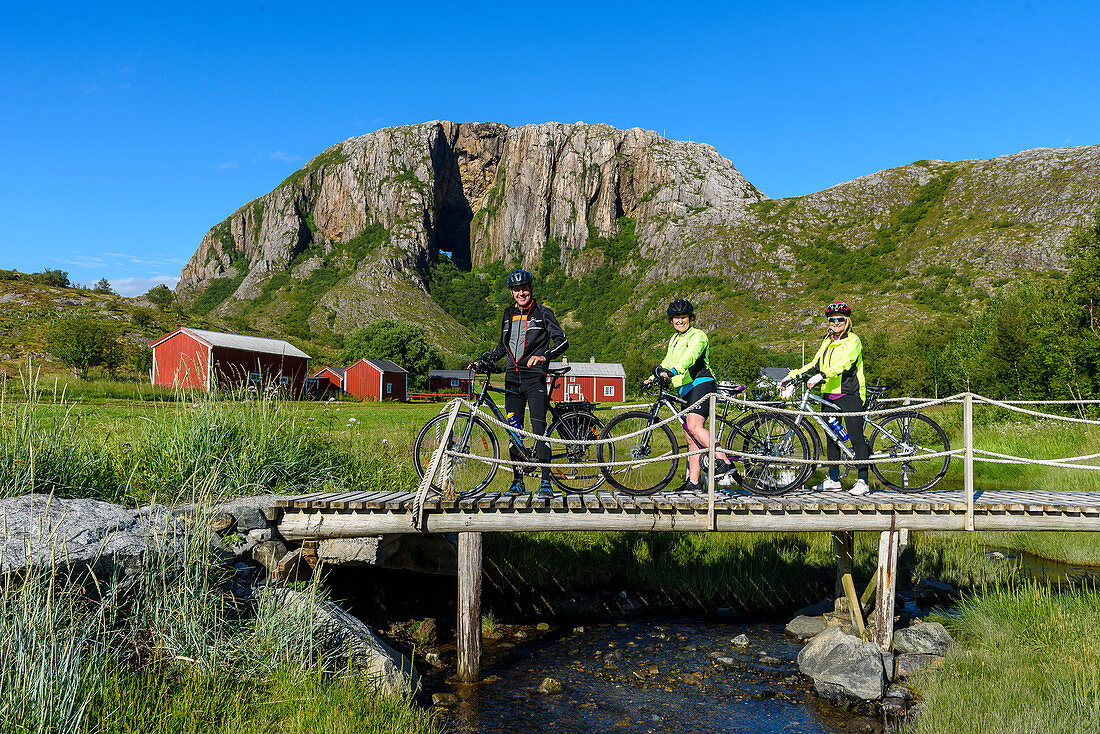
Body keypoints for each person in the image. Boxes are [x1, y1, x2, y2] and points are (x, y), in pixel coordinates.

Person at [477, 269, 568, 499]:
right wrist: (483, 359)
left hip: (534, 378)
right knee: (514, 431)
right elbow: (503, 346)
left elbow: (562, 341)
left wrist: (544, 356)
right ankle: (517, 481)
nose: (521, 292)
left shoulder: (543, 313)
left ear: (531, 289)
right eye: (517, 290)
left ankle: (546, 483)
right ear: (511, 292)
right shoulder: (508, 314)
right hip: (511, 380)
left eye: (524, 288)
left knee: (540, 429)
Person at [643, 299, 736, 492]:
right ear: (671, 320)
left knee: (695, 426)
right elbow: (667, 361)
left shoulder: (698, 335)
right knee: (690, 436)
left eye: (683, 317)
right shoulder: (674, 339)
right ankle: (693, 483)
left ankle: (724, 462)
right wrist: (652, 377)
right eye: (676, 317)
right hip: (684, 388)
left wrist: (674, 370)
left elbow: (691, 356)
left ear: (690, 318)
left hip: (701, 383)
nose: (680, 321)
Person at [782, 301, 870, 496]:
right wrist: (793, 375)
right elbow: (814, 365)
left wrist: (822, 376)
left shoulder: (853, 340)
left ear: (847, 321)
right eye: (832, 320)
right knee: (832, 438)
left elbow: (846, 363)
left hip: (850, 393)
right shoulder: (827, 341)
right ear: (828, 322)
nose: (836, 322)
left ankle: (863, 481)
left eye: (840, 319)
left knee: (856, 437)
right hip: (828, 395)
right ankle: (833, 479)